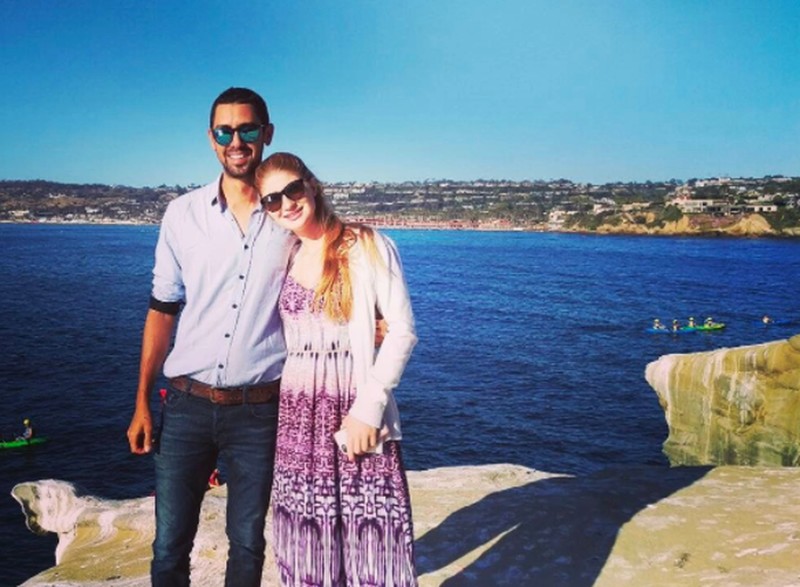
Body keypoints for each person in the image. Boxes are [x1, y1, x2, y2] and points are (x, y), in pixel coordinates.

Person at [126, 87, 294, 587]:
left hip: (260, 411)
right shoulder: (182, 214)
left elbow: (334, 273)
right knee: (169, 547)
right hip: (186, 406)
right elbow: (162, 310)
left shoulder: (291, 217)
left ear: (267, 134)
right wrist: (141, 402)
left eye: (247, 129)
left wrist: (373, 318)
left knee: (247, 544)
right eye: (225, 131)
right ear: (211, 138)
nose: (235, 142)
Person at [255, 152, 418, 586]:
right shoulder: (286, 254)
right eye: (272, 199)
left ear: (311, 185)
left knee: (374, 548)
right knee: (307, 547)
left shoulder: (366, 244)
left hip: (354, 408)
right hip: (297, 419)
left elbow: (402, 331)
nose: (286, 204)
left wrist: (369, 408)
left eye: (292, 189)